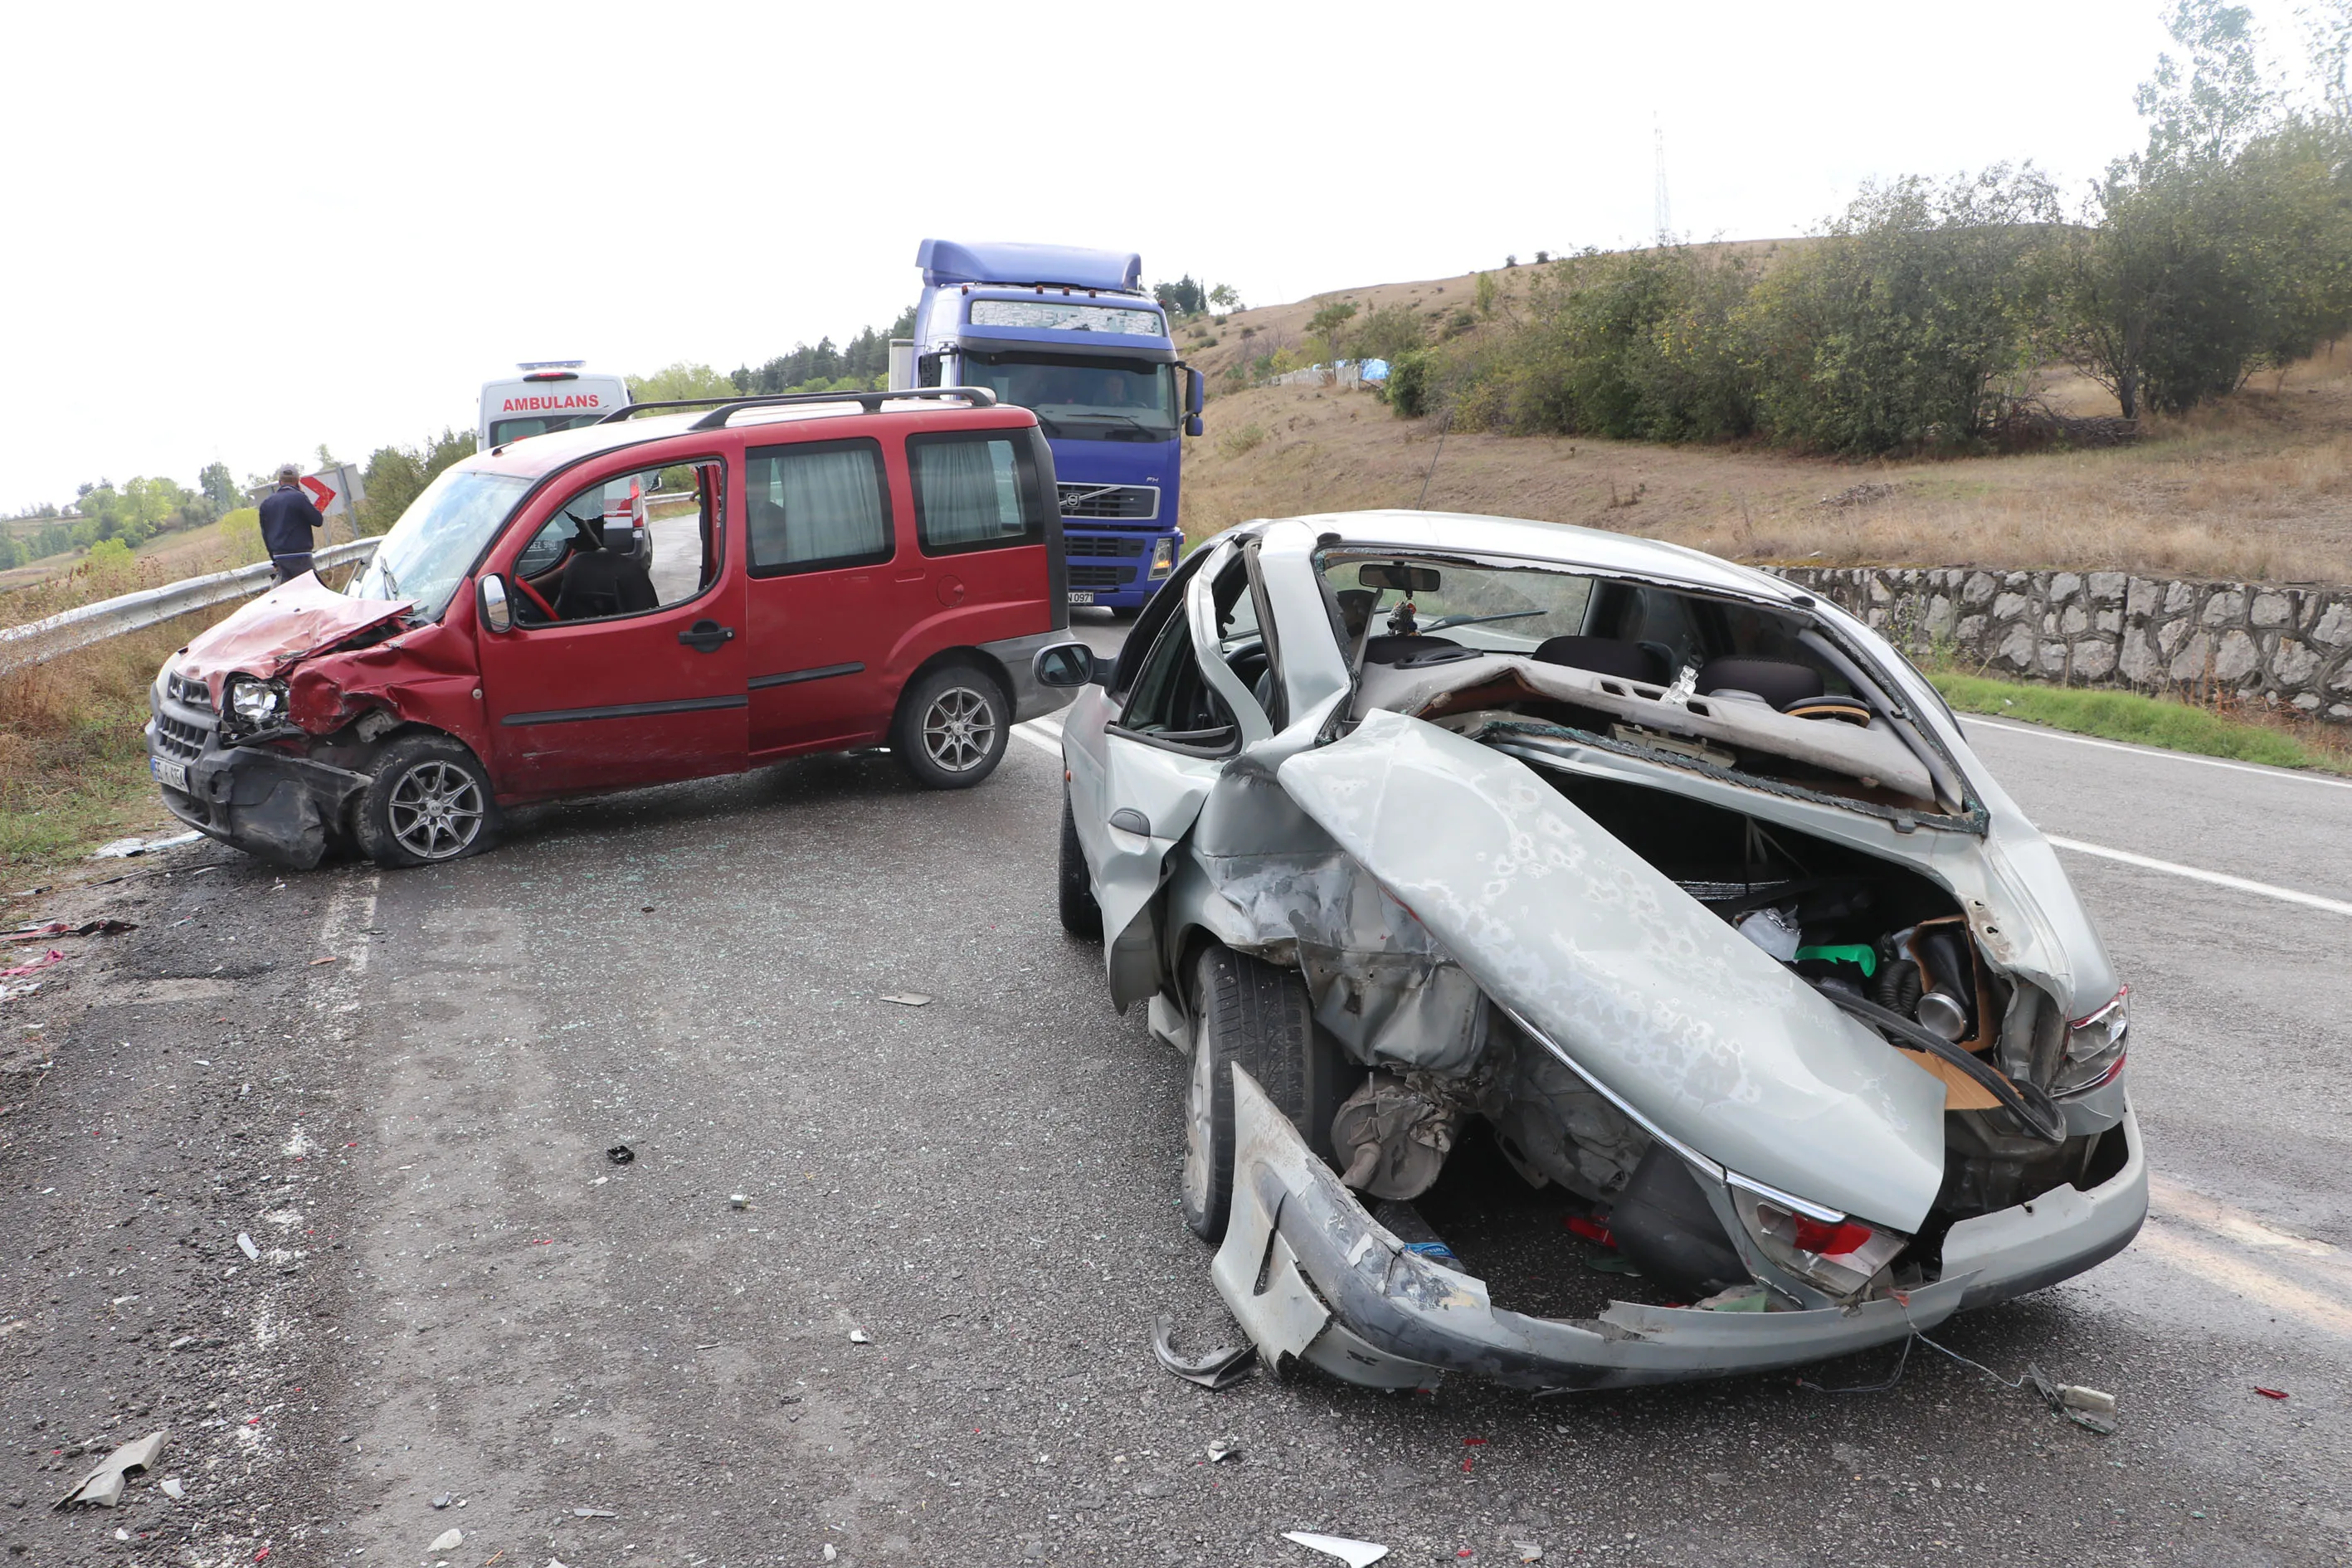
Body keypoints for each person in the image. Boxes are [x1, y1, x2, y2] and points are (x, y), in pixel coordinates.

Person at [259, 462, 325, 582]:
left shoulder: (266, 504)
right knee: (313, 594)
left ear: (280, 482)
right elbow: (318, 520)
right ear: (298, 481)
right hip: (302, 557)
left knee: (289, 598)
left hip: (280, 558)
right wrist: (303, 495)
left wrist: (274, 560)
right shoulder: (300, 498)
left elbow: (265, 534)